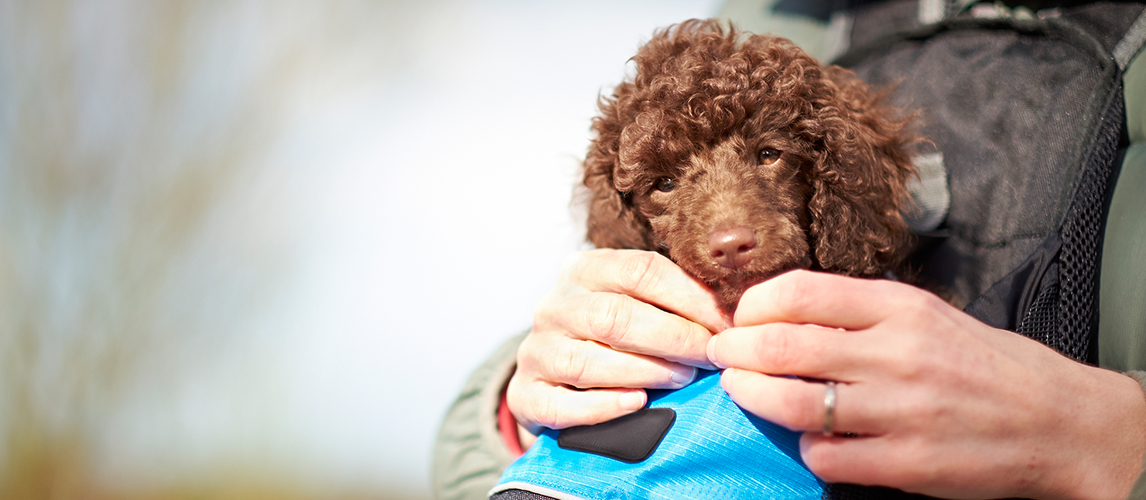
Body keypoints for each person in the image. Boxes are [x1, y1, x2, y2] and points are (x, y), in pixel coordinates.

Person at [431, 0, 1146, 499]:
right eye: (668, 183)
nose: (728, 230)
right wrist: (516, 409)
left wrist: (1117, 443)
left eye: (769, 154)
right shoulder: (780, 8)